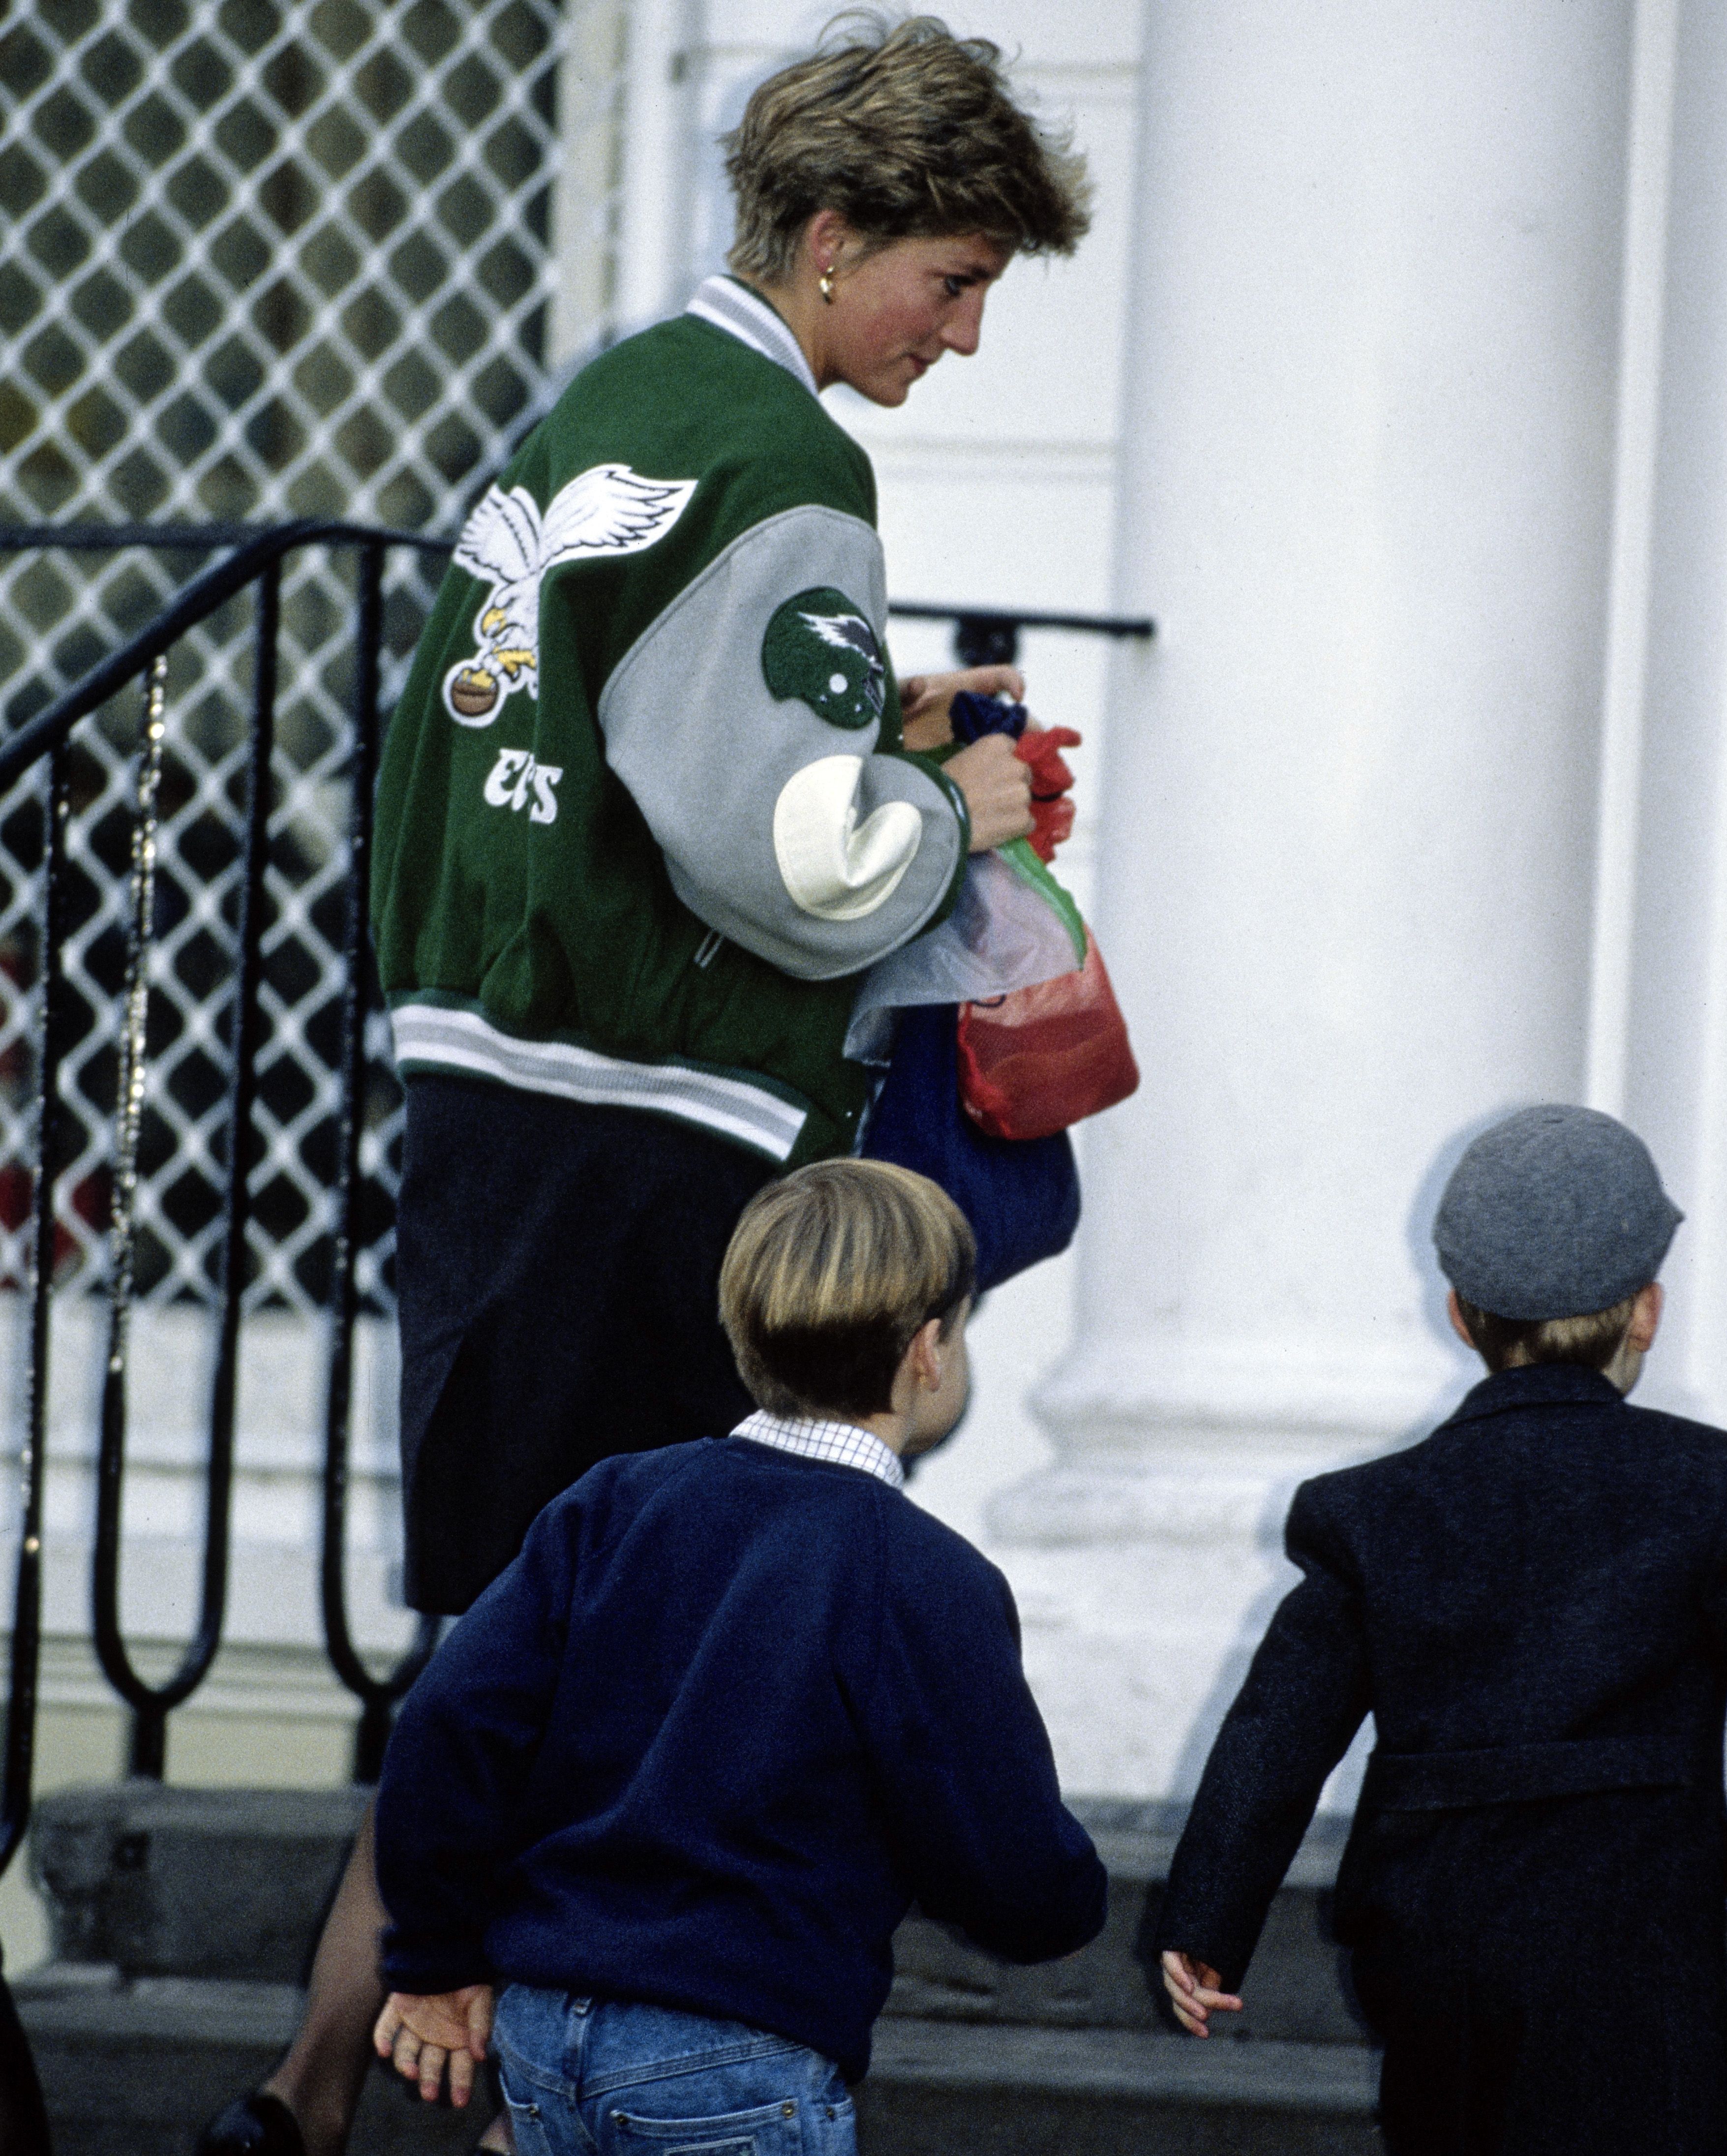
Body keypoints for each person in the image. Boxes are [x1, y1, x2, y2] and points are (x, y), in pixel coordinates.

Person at [198, 19, 1090, 2154]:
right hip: (651, 1120)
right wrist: (943, 801)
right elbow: (790, 858)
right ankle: (400, 2098)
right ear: (827, 230)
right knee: (617, 1671)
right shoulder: (789, 460)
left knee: (517, 1631)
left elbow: (598, 718)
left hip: (500, 1094)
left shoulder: (617, 398)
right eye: (947, 280)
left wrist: (860, 702)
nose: (960, 339)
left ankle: (307, 2098)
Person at [368, 1158, 1107, 2151]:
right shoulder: (921, 1574)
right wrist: (1062, 1898)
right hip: (732, 2050)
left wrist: (434, 1957)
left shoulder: (611, 1501)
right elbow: (1008, 1863)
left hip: (545, 2032)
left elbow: (447, 1722)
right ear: (929, 1348)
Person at [1156, 1104, 1727, 2155]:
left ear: (1457, 1313)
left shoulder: (1369, 1508)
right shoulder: (1709, 1487)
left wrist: (1205, 1917)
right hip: (1634, 1944)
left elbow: (1278, 1727)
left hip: (1435, 1943)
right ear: (1646, 1310)